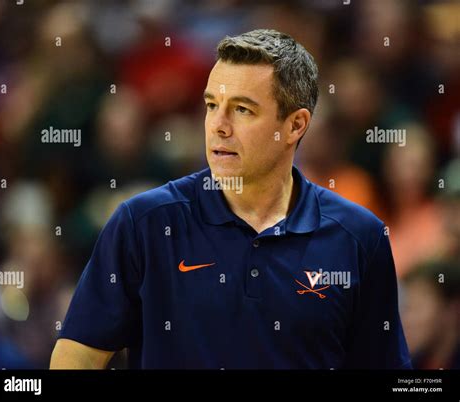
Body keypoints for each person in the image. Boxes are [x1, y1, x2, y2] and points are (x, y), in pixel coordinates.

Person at [50, 29, 411, 369]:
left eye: (242, 109)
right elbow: (76, 357)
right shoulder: (144, 223)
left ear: (295, 125)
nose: (218, 125)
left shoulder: (359, 238)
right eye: (211, 105)